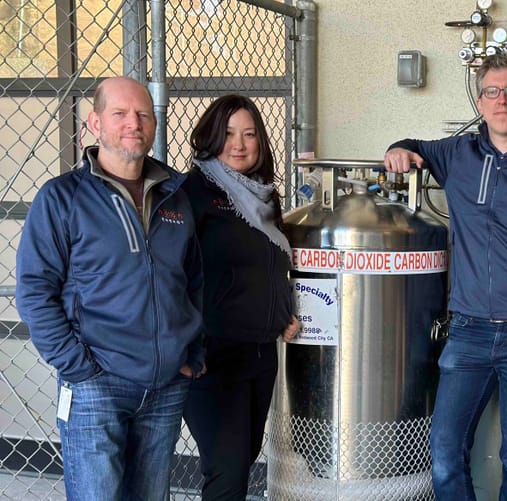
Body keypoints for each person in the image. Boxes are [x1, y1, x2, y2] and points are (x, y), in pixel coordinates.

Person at [384, 54, 507, 500]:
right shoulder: (457, 154)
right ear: (480, 102)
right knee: (444, 454)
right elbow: (410, 145)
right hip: (468, 330)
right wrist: (397, 147)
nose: (501, 100)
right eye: (492, 92)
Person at [15, 76, 205, 500]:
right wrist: (78, 368)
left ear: (154, 124)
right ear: (95, 123)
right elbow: (34, 291)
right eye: (120, 113)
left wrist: (191, 353)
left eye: (143, 114)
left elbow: (192, 281)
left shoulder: (175, 195)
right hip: (97, 384)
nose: (133, 123)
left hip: (166, 386)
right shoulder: (62, 198)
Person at [181, 95, 300, 500]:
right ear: (210, 137)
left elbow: (266, 266)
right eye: (228, 134)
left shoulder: (263, 197)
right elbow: (170, 273)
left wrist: (284, 311)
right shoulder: (193, 193)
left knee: (242, 461)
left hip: (260, 353)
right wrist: (185, 345)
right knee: (227, 473)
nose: (239, 144)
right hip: (214, 357)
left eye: (249, 135)